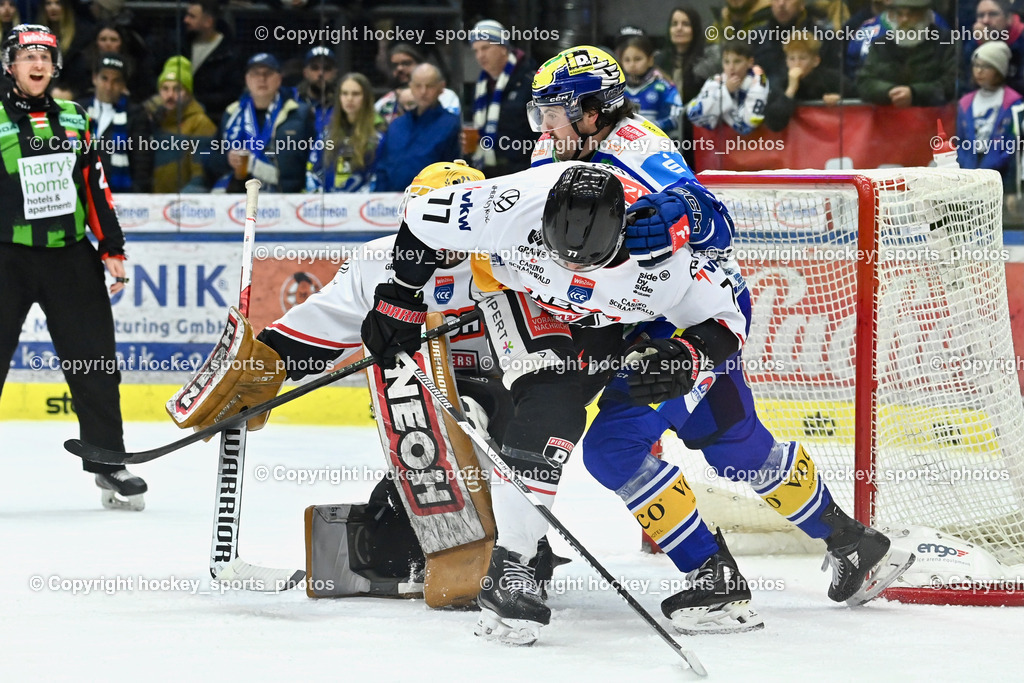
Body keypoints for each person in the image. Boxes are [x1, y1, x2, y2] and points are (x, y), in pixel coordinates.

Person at [360, 160, 915, 644]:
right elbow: (420, 223)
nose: (574, 269)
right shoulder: (506, 208)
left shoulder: (667, 256)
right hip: (602, 334)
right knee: (676, 446)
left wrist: (685, 357)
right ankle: (840, 545)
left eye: (591, 260)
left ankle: (754, 567)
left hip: (667, 335)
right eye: (561, 256)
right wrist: (398, 306)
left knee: (683, 450)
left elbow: (727, 320)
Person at [524, 45, 910, 636]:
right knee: (736, 445)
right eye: (540, 112)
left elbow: (714, 220)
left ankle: (715, 580)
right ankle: (856, 545)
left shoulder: (640, 149)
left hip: (688, 321)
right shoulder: (554, 148)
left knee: (615, 448)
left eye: (556, 111)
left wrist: (675, 215)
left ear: (596, 109)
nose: (544, 125)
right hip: (634, 316)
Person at [0, 23, 146, 510]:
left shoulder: (75, 118)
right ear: (10, 65)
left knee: (96, 363)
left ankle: (109, 464)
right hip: (6, 256)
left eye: (44, 56)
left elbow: (96, 189)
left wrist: (113, 248)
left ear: (55, 65)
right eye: (27, 56)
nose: (37, 64)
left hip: (69, 256)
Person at [209, 52, 314, 193]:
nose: (262, 79)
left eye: (268, 73)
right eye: (255, 74)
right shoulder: (231, 114)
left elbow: (313, 158)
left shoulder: (299, 113)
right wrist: (228, 160)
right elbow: (213, 157)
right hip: (239, 194)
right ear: (247, 79)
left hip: (286, 196)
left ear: (279, 79)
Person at [372, 63, 461, 192]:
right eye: (418, 86)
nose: (423, 92)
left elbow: (454, 173)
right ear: (411, 87)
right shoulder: (397, 125)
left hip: (431, 202)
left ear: (441, 87)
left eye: (429, 86)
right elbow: (383, 167)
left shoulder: (451, 124)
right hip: (390, 203)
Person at [467, 19, 537, 177]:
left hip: (523, 174)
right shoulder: (480, 88)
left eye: (485, 48)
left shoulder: (530, 82)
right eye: (475, 51)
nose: (480, 56)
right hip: (485, 172)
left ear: (503, 48)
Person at [856, 0, 957, 107]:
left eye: (911, 14)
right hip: (888, 117)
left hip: (933, 117)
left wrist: (915, 93)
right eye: (899, 14)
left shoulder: (946, 41)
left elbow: (954, 83)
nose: (905, 20)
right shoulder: (881, 45)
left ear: (925, 15)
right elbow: (864, 82)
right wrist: (890, 91)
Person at [655, 6, 720, 167]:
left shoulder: (707, 63)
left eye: (685, 24)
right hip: (664, 133)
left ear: (695, 29)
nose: (679, 28)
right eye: (674, 24)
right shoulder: (658, 61)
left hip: (697, 136)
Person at [144, 55, 217, 193]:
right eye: (165, 89)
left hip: (185, 206)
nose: (170, 95)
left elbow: (200, 176)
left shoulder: (200, 123)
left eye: (177, 89)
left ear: (188, 93)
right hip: (152, 204)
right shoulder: (154, 121)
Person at [956, 41, 1022, 192]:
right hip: (968, 179)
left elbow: (1015, 147)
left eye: (986, 66)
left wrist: (1011, 188)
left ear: (999, 70)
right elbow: (959, 141)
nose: (979, 71)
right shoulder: (965, 103)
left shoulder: (1014, 103)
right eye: (976, 65)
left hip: (1001, 179)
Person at [81, 52, 153, 192]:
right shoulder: (78, 110)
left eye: (116, 81)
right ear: (94, 78)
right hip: (82, 193)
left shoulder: (136, 115)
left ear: (123, 85)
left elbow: (142, 165)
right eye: (104, 79)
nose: (109, 86)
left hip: (121, 198)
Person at [305, 72, 384, 193]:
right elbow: (312, 170)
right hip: (329, 206)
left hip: (364, 206)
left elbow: (379, 175)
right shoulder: (327, 133)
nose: (349, 99)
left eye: (356, 94)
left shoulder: (378, 135)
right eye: (344, 93)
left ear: (366, 98)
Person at [764, 33, 847, 131]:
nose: (797, 64)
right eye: (792, 59)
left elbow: (856, 95)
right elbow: (774, 124)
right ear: (786, 62)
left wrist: (839, 98)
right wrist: (790, 90)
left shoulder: (832, 79)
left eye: (803, 58)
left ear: (816, 61)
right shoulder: (781, 84)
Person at [686, 40, 770, 135]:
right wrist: (725, 90)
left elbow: (746, 126)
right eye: (726, 62)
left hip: (757, 145)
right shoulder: (715, 81)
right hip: (717, 146)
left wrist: (718, 111)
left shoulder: (759, 81)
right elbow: (693, 115)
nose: (731, 67)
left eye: (737, 61)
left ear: (750, 62)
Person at [182, 0, 240, 122]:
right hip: (178, 116)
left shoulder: (230, 53)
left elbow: (231, 94)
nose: (186, 20)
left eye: (192, 17)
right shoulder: (180, 45)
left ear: (208, 21)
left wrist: (195, 100)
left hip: (211, 119)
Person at [374, 43, 460, 126]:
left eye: (406, 63)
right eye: (395, 65)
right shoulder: (384, 103)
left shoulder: (445, 95)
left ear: (420, 64)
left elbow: (449, 126)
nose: (399, 68)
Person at [618, 34, 683, 139]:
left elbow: (676, 116)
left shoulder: (663, 86)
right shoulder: (617, 88)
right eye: (627, 60)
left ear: (650, 60)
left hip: (656, 143)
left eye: (638, 59)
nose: (632, 64)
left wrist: (652, 128)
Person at [962, 0, 1024, 96]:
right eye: (981, 15)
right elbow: (968, 86)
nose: (985, 21)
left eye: (993, 14)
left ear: (1009, 18)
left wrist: (990, 48)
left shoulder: (1021, 39)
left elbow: (1018, 89)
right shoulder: (973, 44)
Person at [294, 45, 338, 140]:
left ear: (335, 73)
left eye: (327, 68)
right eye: (315, 68)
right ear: (305, 72)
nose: (320, 73)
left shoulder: (343, 102)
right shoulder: (292, 99)